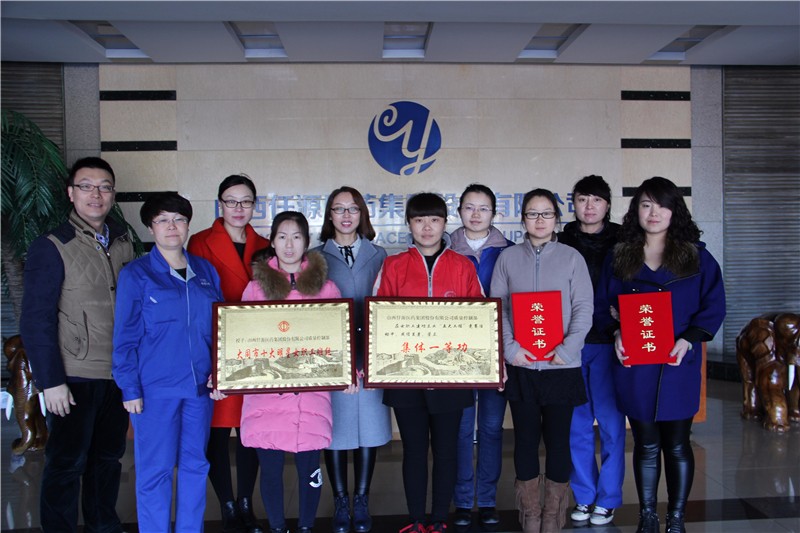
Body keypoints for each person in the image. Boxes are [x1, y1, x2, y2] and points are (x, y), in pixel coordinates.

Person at [594, 177, 725, 533]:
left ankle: (676, 518)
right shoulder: (620, 256)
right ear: (636, 210)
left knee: (678, 444)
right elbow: (602, 305)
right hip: (636, 365)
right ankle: (648, 516)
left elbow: (714, 306)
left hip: (677, 362)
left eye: (662, 205)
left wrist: (689, 340)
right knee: (646, 444)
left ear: (674, 211)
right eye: (646, 205)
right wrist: (616, 331)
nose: (654, 213)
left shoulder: (696, 256)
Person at [20, 157, 134, 533]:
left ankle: (104, 525)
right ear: (71, 193)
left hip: (117, 373)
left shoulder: (122, 241)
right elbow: (36, 320)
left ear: (113, 194)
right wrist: (50, 381)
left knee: (108, 460)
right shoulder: (52, 245)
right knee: (66, 463)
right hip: (74, 376)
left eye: (104, 187)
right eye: (86, 186)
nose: (95, 194)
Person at [112, 192, 224, 532]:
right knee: (154, 471)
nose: (171, 226)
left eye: (178, 219)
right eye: (162, 220)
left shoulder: (205, 271)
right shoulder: (137, 274)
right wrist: (129, 387)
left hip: (199, 390)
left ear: (188, 225)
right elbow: (125, 336)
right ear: (151, 227)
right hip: (155, 391)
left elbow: (221, 329)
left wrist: (221, 374)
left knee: (195, 466)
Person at [374, 192, 483, 533]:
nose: (427, 227)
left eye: (434, 220)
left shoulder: (463, 266)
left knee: (447, 451)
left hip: (451, 376)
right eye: (419, 220)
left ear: (444, 223)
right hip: (406, 378)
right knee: (414, 450)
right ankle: (416, 520)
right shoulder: (393, 266)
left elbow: (480, 318)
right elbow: (379, 318)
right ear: (409, 224)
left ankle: (439, 519)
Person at [490, 188, 593, 533]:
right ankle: (531, 512)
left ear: (557, 219)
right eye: (532, 214)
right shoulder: (507, 258)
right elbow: (498, 307)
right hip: (522, 364)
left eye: (546, 213)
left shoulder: (572, 258)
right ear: (523, 219)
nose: (539, 220)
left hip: (561, 366)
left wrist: (567, 350)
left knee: (558, 441)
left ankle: (553, 514)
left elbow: (584, 308)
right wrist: (510, 349)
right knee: (525, 439)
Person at [240, 211, 341, 533]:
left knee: (310, 468)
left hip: (311, 396)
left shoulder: (327, 289)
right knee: (270, 470)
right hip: (266, 397)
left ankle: (307, 527)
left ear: (306, 242)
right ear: (272, 242)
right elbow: (239, 341)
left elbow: (339, 341)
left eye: (296, 237)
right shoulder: (255, 289)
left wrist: (348, 373)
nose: (289, 244)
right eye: (282, 236)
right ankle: (277, 527)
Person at [188, 174, 269, 533]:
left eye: (246, 201)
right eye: (231, 201)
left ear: (254, 206)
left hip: (256, 348)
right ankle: (227, 504)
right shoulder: (200, 242)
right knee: (218, 433)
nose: (239, 208)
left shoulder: (265, 244)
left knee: (250, 431)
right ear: (219, 204)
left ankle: (247, 502)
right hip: (216, 348)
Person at [314, 187, 391, 533]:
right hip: (334, 361)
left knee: (368, 431)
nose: (346, 215)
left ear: (362, 214)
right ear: (329, 215)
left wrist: (370, 358)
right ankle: (340, 500)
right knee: (335, 433)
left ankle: (361, 499)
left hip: (371, 358)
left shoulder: (380, 254)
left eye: (353, 209)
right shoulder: (315, 257)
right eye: (338, 209)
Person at [558, 175, 626, 526]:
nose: (589, 206)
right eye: (582, 199)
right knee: (577, 425)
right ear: (573, 203)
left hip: (611, 343)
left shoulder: (626, 241)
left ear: (607, 205)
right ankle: (584, 495)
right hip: (570, 344)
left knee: (613, 425)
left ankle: (608, 498)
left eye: (596, 200)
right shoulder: (560, 240)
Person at [449, 184, 514, 528]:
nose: (476, 215)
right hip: (454, 355)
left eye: (483, 208)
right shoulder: (444, 250)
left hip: (497, 353)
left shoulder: (509, 252)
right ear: (459, 211)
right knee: (460, 429)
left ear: (494, 213)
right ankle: (462, 500)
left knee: (490, 427)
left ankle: (486, 499)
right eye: (469, 207)